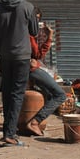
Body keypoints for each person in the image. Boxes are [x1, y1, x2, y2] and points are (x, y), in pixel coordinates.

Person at [0, 0, 38, 147]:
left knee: (8, 94)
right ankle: (9, 134)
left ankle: (7, 131)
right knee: (17, 95)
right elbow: (34, 31)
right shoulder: (28, 7)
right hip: (22, 57)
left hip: (4, 57)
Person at [26, 8, 66, 136]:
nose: (36, 22)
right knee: (60, 95)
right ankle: (35, 122)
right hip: (30, 69)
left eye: (38, 19)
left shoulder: (20, 31)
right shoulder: (28, 34)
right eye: (34, 19)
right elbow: (38, 55)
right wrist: (49, 37)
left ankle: (32, 121)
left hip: (20, 68)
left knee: (48, 93)